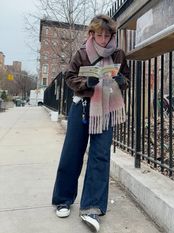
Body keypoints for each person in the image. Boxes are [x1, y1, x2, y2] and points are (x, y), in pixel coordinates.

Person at [51, 14, 130, 232]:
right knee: (72, 153)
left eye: (107, 35)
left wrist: (122, 81)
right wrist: (87, 82)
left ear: (112, 34)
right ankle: (63, 199)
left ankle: (92, 207)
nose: (104, 39)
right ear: (91, 34)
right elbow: (68, 77)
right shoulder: (82, 53)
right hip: (82, 108)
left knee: (100, 156)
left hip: (106, 109)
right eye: (100, 34)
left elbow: (125, 78)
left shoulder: (119, 54)